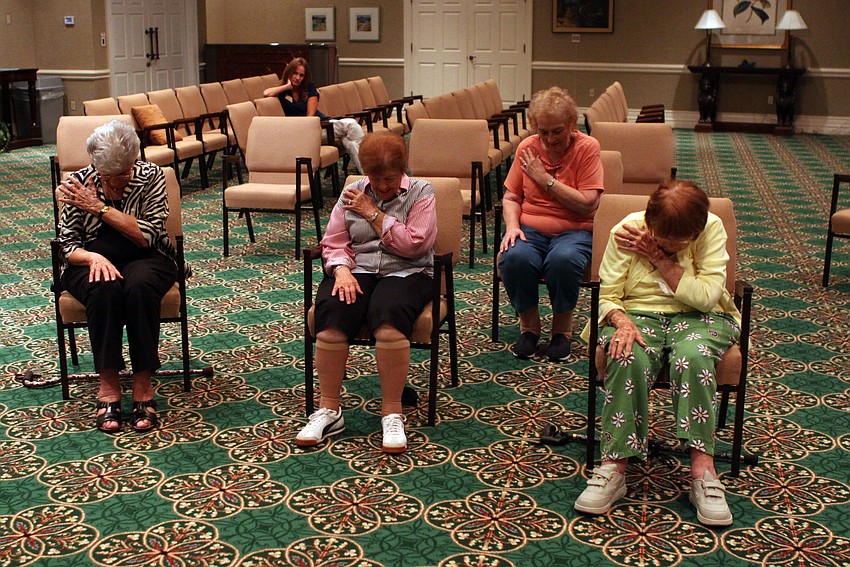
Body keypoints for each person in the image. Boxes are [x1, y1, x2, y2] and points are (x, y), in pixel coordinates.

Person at [575, 180, 742, 527]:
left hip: (700, 317)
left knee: (695, 356)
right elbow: (607, 293)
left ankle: (703, 470)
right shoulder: (628, 229)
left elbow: (706, 297)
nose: (668, 245)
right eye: (661, 238)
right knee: (626, 354)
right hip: (636, 314)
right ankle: (614, 468)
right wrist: (620, 320)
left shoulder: (711, 228)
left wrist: (659, 257)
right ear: (650, 223)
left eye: (679, 244)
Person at [296, 131, 436, 454]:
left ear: (402, 169)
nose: (383, 186)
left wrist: (373, 213)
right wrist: (341, 270)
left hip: (407, 271)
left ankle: (392, 412)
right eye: (375, 177)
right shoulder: (351, 192)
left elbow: (414, 244)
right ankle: (330, 410)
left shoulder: (421, 193)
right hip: (357, 270)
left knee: (388, 317)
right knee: (332, 313)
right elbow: (333, 241)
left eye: (389, 178)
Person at [57, 119, 180, 434]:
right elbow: (67, 245)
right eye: (110, 177)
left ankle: (142, 384)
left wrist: (98, 207)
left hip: (147, 256)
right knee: (104, 285)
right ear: (96, 167)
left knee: (138, 287)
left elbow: (147, 235)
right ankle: (109, 384)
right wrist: (92, 257)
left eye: (124, 174)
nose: (119, 184)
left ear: (134, 162)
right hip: (90, 261)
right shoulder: (78, 182)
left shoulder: (150, 176)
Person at [499, 86, 604, 362]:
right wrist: (512, 226)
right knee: (513, 257)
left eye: (557, 131)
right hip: (529, 227)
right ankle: (529, 327)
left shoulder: (587, 148)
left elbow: (587, 203)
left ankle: (562, 331)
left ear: (571, 125)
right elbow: (511, 196)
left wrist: (545, 178)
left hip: (575, 228)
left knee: (564, 260)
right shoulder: (527, 147)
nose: (549, 139)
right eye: (542, 131)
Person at [263, 57, 364, 173]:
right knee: (351, 125)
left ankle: (367, 176)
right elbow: (266, 93)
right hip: (305, 133)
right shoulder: (282, 92)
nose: (297, 78)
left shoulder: (309, 87)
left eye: (301, 75)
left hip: (321, 125)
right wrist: (287, 86)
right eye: (295, 73)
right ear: (289, 72)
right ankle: (372, 169)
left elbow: (310, 117)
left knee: (349, 141)